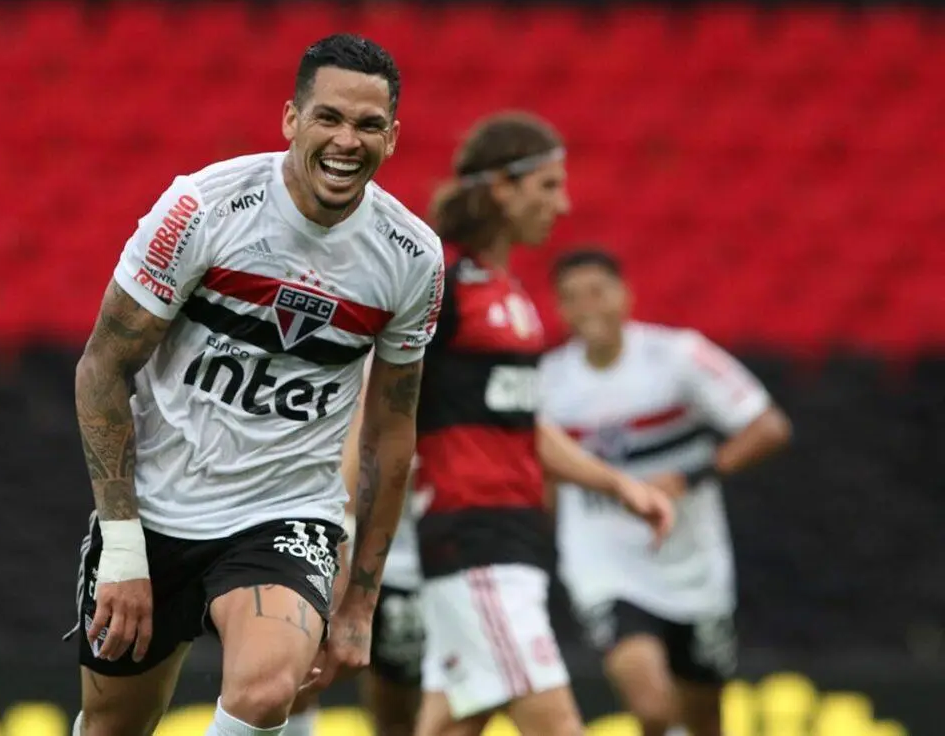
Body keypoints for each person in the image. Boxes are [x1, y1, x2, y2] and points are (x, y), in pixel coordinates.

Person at [66, 33, 446, 736]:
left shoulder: (411, 258)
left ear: (393, 138)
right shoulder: (202, 210)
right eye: (328, 118)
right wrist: (123, 549)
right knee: (113, 725)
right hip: (157, 510)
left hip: (286, 512)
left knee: (269, 691)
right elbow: (102, 366)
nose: (346, 141)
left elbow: (392, 433)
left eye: (368, 125)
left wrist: (360, 600)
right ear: (290, 120)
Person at [412, 112, 675, 736]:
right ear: (502, 187)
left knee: (450, 722)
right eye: (549, 187)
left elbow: (524, 423)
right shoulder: (441, 286)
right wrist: (342, 524)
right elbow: (377, 403)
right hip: (473, 536)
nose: (564, 204)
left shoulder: (511, 295)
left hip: (512, 536)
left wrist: (618, 486)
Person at [538, 248, 793, 736]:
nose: (586, 307)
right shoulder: (549, 381)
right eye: (570, 298)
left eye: (597, 292)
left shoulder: (678, 357)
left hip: (693, 566)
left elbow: (769, 426)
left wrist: (690, 476)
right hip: (606, 567)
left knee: (703, 717)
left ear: (625, 296)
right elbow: (545, 472)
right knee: (652, 707)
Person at [285, 351, 427, 736]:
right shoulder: (359, 349)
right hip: (337, 540)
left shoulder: (457, 353)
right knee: (296, 676)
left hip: (422, 557)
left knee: (399, 712)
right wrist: (340, 536)